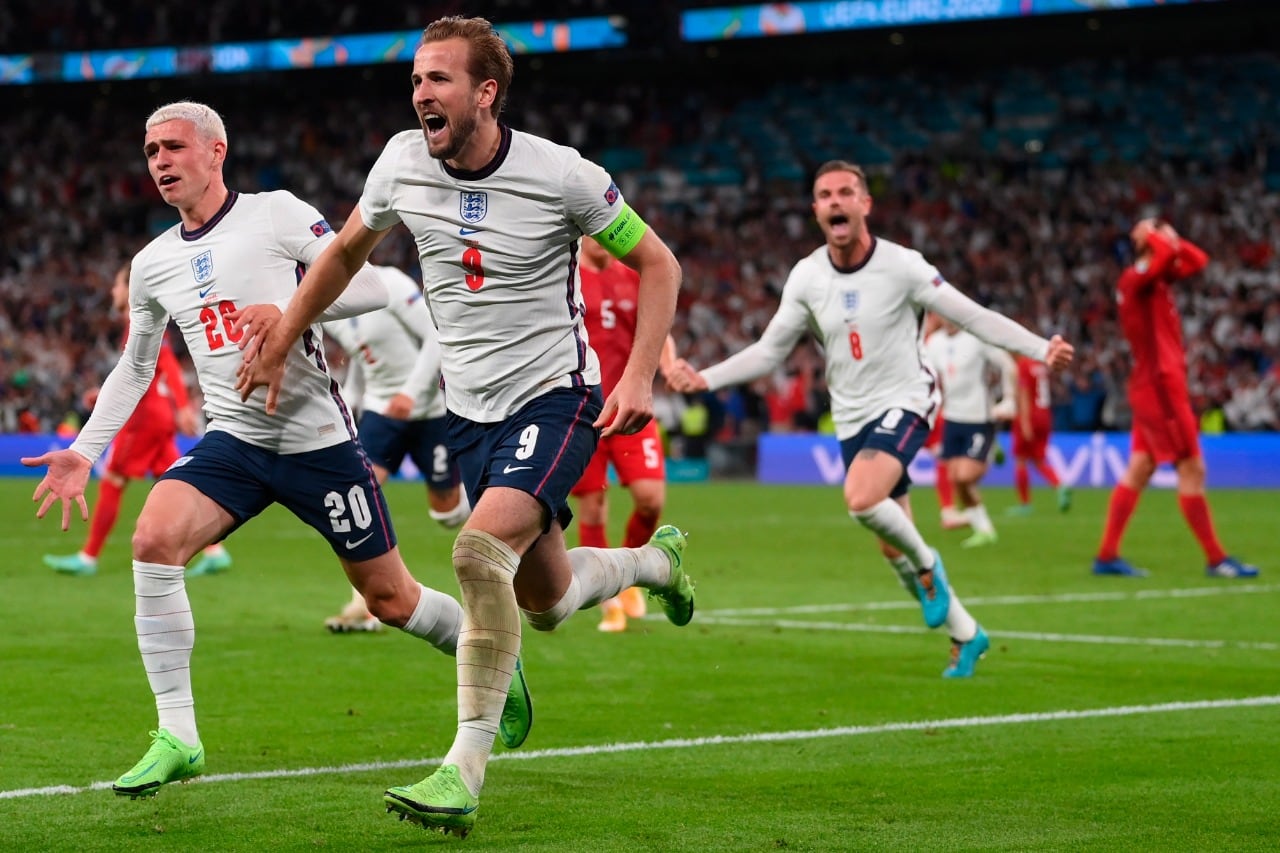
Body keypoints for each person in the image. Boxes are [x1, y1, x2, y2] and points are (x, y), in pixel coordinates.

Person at [235, 17, 695, 839]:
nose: (420, 93)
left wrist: (637, 374)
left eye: (438, 78)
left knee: (476, 551)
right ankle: (656, 562)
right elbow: (343, 253)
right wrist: (282, 336)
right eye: (415, 79)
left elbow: (659, 262)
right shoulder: (401, 162)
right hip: (471, 410)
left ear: (486, 92)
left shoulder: (564, 176)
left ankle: (463, 768)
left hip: (557, 396)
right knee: (545, 601)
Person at [21, 100, 532, 801]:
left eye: (173, 147)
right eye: (150, 153)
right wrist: (84, 449)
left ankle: (490, 650)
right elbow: (136, 366)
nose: (161, 162)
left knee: (390, 598)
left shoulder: (276, 214)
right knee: (153, 537)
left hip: (318, 443)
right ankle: (178, 734)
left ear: (215, 150)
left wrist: (293, 313)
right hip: (233, 441)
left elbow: (376, 287)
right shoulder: (152, 263)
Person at [668, 160, 1073, 678]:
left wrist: (1040, 349)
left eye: (845, 192)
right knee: (889, 539)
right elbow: (771, 351)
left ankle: (930, 568)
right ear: (815, 211)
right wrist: (706, 378)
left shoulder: (903, 266)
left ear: (865, 204)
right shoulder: (808, 276)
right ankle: (967, 634)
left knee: (862, 498)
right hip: (853, 415)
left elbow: (972, 315)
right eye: (824, 195)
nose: (835, 201)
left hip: (908, 398)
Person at [43, 260, 232, 578]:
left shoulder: (137, 320)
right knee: (179, 481)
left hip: (143, 418)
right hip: (158, 415)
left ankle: (88, 557)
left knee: (113, 481)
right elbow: (149, 369)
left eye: (117, 285)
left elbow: (166, 363)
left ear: (129, 290)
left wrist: (183, 405)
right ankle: (215, 550)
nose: (113, 291)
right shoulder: (144, 320)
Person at [1092, 219, 1258, 579]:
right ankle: (1216, 559)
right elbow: (1170, 254)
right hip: (1160, 388)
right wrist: (1151, 233)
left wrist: (1168, 237)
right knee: (1192, 469)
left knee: (1139, 468)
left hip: (1152, 386)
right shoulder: (1139, 279)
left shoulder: (1154, 278)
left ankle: (1106, 556)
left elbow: (1199, 260)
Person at [321, 264, 471, 633]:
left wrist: (412, 392)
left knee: (447, 513)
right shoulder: (330, 306)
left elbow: (436, 337)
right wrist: (351, 402)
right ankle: (365, 602)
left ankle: (496, 516)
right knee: (361, 496)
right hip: (382, 412)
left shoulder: (390, 284)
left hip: (430, 409)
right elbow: (360, 357)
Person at [570, 236, 678, 633]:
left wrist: (667, 364)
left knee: (651, 501)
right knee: (594, 507)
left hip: (631, 405)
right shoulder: (567, 277)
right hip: (586, 411)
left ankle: (629, 573)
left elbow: (658, 328)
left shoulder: (633, 275)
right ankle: (607, 599)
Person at [924, 317, 1018, 548]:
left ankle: (990, 448)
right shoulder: (933, 343)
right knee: (956, 479)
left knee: (966, 475)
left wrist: (1009, 400)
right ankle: (984, 529)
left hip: (979, 418)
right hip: (952, 418)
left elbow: (1009, 366)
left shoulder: (976, 339)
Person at [1006, 353, 1071, 516]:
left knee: (1020, 460)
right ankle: (1060, 485)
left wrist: (1025, 422)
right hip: (1045, 415)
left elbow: (1024, 393)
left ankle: (1025, 503)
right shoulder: (1039, 365)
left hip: (1030, 415)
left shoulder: (1023, 365)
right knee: (1038, 460)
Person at [921, 314, 966, 530]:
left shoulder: (935, 344)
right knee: (944, 459)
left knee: (944, 459)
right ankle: (948, 511)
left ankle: (949, 510)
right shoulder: (928, 343)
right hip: (920, 408)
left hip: (928, 408)